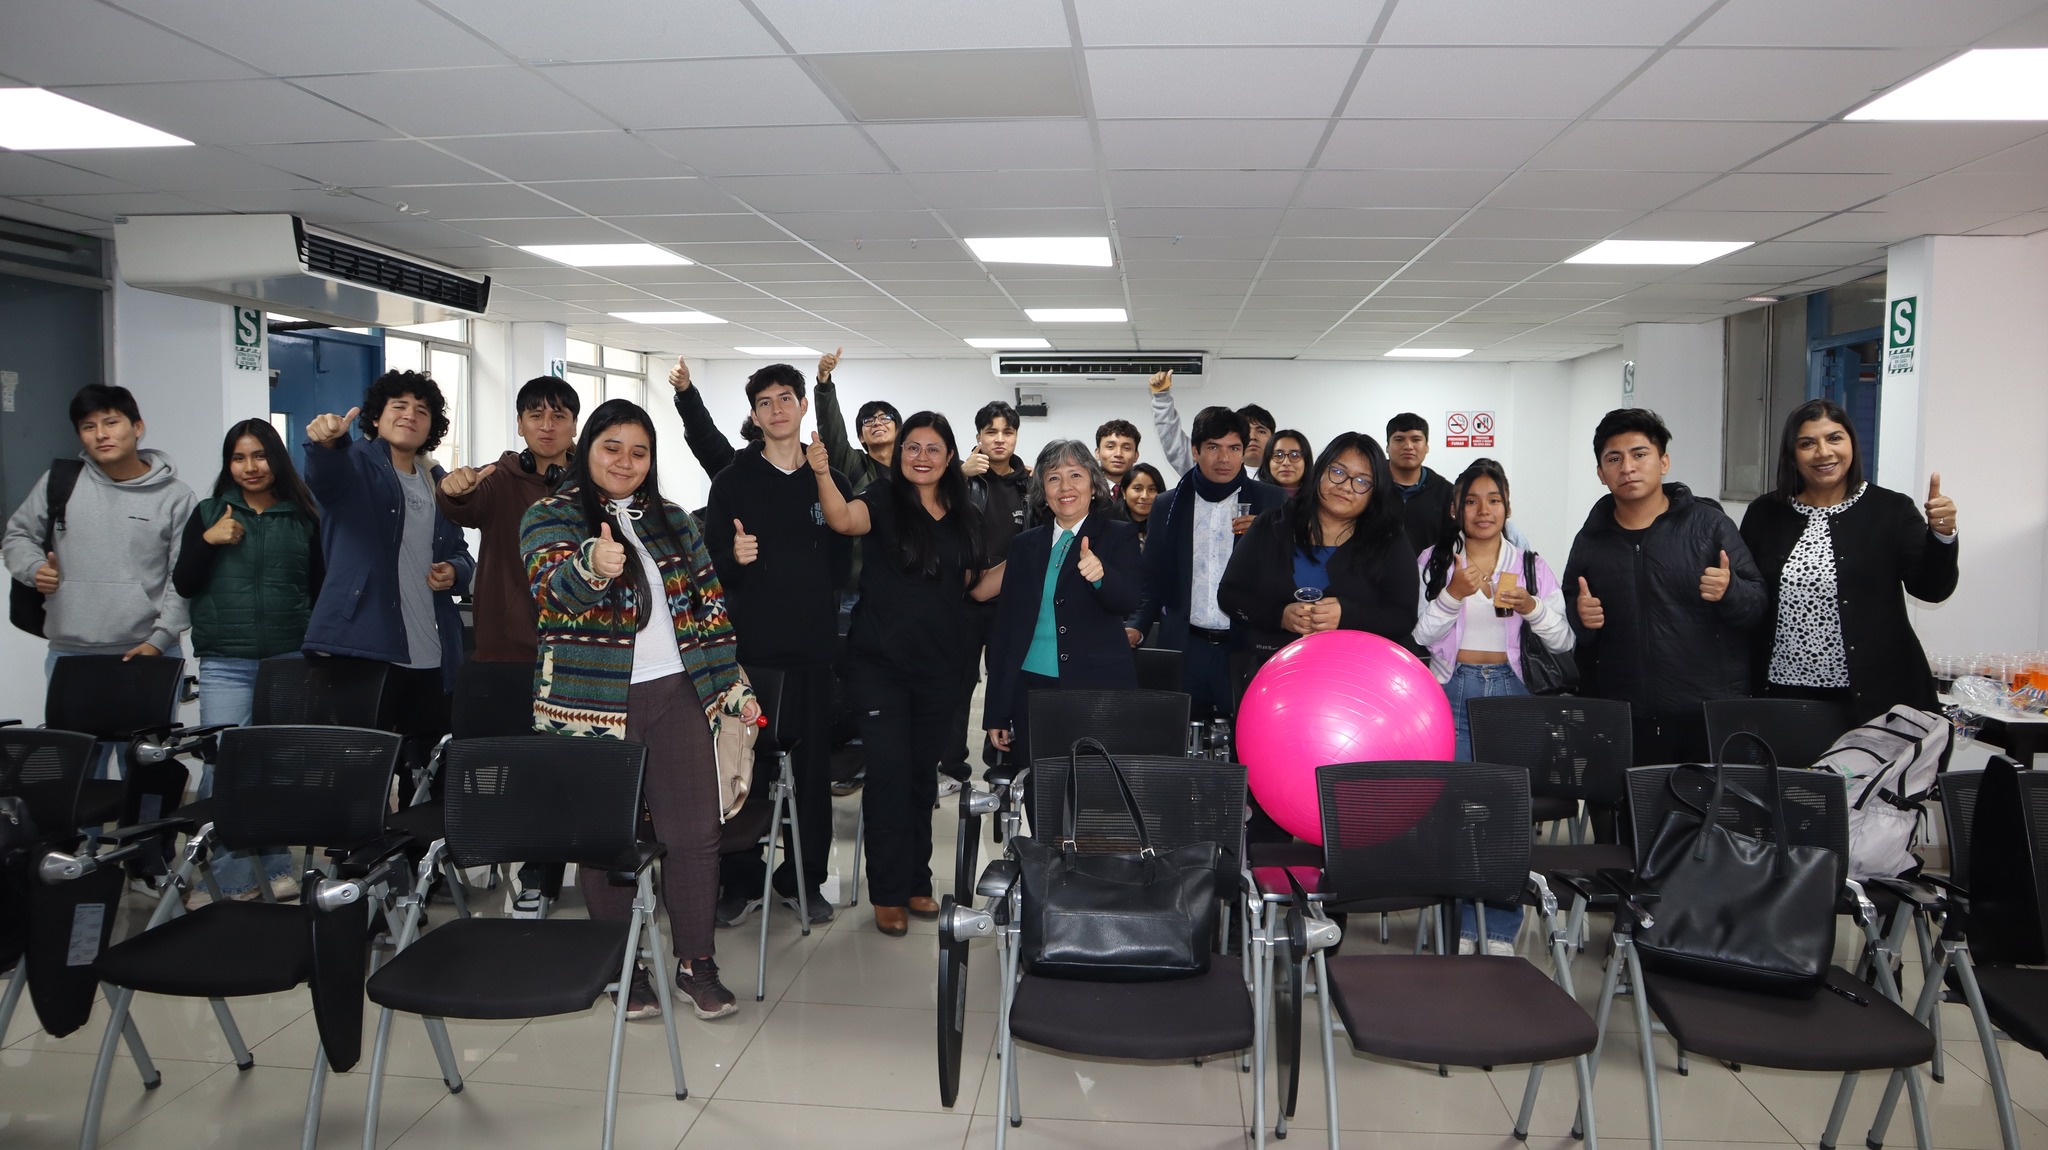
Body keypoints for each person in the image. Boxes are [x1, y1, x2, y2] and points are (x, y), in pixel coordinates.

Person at [522, 399, 759, 1020]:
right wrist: (591, 567)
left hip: (677, 691)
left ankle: (695, 962)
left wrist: (732, 685)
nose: (625, 461)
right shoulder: (549, 516)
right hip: (589, 702)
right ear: (586, 451)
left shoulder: (675, 520)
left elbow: (710, 610)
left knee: (696, 833)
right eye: (611, 447)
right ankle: (620, 962)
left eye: (639, 451)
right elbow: (551, 596)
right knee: (605, 839)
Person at [808, 412, 1003, 937]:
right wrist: (823, 472)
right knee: (890, 775)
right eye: (913, 447)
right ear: (900, 455)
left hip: (942, 666)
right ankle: (888, 892)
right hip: (880, 666)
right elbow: (841, 522)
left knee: (922, 777)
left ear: (949, 456)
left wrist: (1042, 548)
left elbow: (977, 587)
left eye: (933, 448)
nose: (921, 457)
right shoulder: (883, 499)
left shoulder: (965, 513)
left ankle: (918, 882)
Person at [702, 363, 852, 927]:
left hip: (813, 651)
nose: (777, 409)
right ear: (755, 414)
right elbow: (708, 571)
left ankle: (804, 879)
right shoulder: (732, 481)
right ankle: (737, 879)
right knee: (745, 769)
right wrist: (733, 563)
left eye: (786, 398)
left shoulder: (825, 475)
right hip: (750, 654)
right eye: (765, 402)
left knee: (811, 775)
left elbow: (843, 560)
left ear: (801, 406)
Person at [1413, 459, 1574, 955]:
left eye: (1494, 500)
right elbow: (1420, 636)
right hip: (1452, 690)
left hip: (1511, 694)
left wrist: (1530, 606)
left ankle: (1500, 931)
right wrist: (1453, 597)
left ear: (1507, 506)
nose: (1484, 510)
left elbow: (1564, 639)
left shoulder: (1531, 565)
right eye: (1473, 500)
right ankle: (1462, 927)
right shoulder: (1435, 560)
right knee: (1456, 811)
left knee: (1505, 813)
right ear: (1456, 507)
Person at [436, 374, 580, 917]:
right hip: (508, 652)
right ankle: (520, 861)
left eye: (559, 415)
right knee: (516, 767)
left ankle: (542, 875)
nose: (547, 425)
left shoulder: (590, 482)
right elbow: (462, 506)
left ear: (573, 425)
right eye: (536, 415)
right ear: (520, 423)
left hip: (574, 650)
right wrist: (453, 488)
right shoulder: (497, 479)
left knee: (559, 768)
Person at [170, 419, 322, 905]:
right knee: (227, 764)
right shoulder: (209, 512)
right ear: (228, 463)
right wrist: (208, 541)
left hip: (287, 656)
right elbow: (185, 583)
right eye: (239, 458)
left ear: (276, 459)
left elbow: (319, 588)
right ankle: (232, 874)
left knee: (276, 765)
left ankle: (276, 865)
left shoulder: (303, 516)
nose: (250, 467)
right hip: (226, 659)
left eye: (259, 456)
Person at [1563, 408, 1763, 765]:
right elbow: (1575, 608)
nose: (1628, 468)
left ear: (1664, 461)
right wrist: (1582, 618)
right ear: (1600, 473)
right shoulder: (1591, 538)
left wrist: (1730, 590)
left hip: (1704, 716)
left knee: (1704, 819)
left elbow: (1756, 606)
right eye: (1614, 459)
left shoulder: (1710, 526)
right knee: (1634, 818)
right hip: (1626, 715)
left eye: (1640, 454)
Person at [1739, 399, 1958, 722]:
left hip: (1874, 697)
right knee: (1790, 775)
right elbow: (1749, 597)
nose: (1823, 452)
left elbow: (1932, 589)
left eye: (1834, 438)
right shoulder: (1765, 513)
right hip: (1782, 693)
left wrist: (1942, 535)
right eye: (1807, 443)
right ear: (1791, 454)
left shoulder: (1891, 510)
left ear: (1852, 443)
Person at [302, 371, 474, 772]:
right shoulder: (354, 465)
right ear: (376, 417)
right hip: (366, 648)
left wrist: (456, 570)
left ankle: (418, 839)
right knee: (362, 774)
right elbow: (325, 478)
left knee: (429, 774)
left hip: (432, 653)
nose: (410, 415)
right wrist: (326, 444)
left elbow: (462, 552)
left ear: (432, 426)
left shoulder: (438, 482)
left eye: (422, 410)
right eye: (399, 405)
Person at [5, 384, 195, 681]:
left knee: (150, 731)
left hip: (147, 651)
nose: (101, 435)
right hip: (68, 653)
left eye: (111, 422)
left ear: (137, 427)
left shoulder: (175, 497)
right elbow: (18, 535)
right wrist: (34, 567)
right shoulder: (59, 482)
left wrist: (159, 640)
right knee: (70, 731)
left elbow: (182, 578)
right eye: (88, 426)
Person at [983, 441, 1143, 772]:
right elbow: (1005, 631)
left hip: (1096, 691)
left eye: (1075, 475)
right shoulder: (1024, 545)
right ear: (1043, 489)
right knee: (1040, 790)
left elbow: (1128, 600)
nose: (1066, 487)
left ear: (1093, 484)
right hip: (1031, 692)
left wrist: (1101, 576)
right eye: (1054, 478)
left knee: (1095, 791)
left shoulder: (1119, 535)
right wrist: (996, 710)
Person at [1129, 406, 1287, 718]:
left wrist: (1269, 536)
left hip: (1246, 646)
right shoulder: (1167, 504)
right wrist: (1136, 626)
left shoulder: (1273, 502)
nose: (1224, 459)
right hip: (1187, 643)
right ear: (1196, 450)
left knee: (1246, 739)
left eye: (1234, 448)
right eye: (1214, 447)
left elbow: (1288, 575)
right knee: (1178, 739)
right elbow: (1152, 577)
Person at [1218, 431, 1418, 679]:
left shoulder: (1389, 539)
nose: (1346, 486)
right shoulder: (1271, 526)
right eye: (1338, 472)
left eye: (1362, 481)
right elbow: (1229, 595)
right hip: (1274, 673)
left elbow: (1403, 617)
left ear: (1375, 492)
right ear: (1320, 470)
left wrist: (1348, 616)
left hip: (1359, 678)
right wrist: (1280, 616)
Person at [955, 400, 1034, 782]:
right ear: (978, 437)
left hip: (1012, 599)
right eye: (991, 432)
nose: (999, 439)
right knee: (959, 682)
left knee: (1006, 678)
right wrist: (957, 475)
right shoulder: (963, 480)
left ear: (1016, 436)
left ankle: (1000, 761)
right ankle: (953, 766)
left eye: (1007, 432)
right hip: (964, 599)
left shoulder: (1029, 485)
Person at [1148, 369, 1276, 479]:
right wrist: (1161, 398)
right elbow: (1175, 445)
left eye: (1261, 431)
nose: (1253, 437)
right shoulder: (1209, 469)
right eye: (1247, 430)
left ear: (1273, 439)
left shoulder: (1285, 475)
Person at [1386, 413, 1456, 555]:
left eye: (1416, 439)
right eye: (1399, 439)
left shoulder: (1446, 492)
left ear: (1427, 447)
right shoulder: (1369, 486)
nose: (1408, 446)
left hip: (1428, 575)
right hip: (1374, 575)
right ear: (1387, 447)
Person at [666, 356, 738, 481]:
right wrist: (685, 392)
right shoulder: (738, 470)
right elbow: (703, 435)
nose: (777, 411)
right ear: (755, 417)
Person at [1094, 418, 1142, 505]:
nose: (1118, 454)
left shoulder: (1143, 493)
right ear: (1097, 453)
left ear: (1136, 456)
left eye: (1126, 448)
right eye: (1110, 446)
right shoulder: (1088, 489)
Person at [1122, 462, 1165, 552]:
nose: (1145, 496)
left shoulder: (1168, 529)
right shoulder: (1109, 528)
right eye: (1137, 488)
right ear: (1124, 492)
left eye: (1152, 489)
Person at [1263, 430, 1314, 496]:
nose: (1286, 463)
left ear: (1306, 461)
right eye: (1278, 455)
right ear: (1268, 462)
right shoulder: (1254, 495)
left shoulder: (1319, 499)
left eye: (1295, 455)